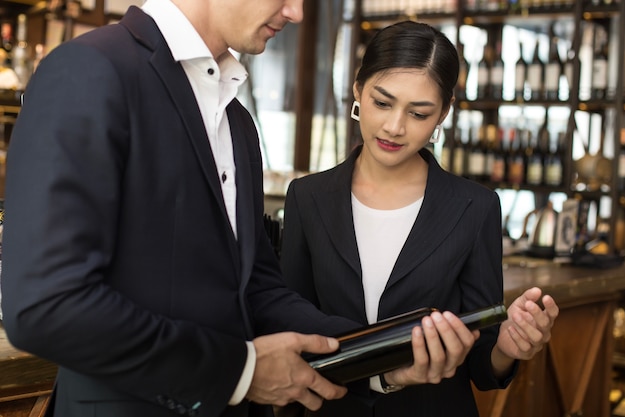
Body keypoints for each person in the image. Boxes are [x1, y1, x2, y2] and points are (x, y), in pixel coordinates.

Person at [1, 1, 364, 416]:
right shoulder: (89, 69)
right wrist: (238, 372)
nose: (297, 13)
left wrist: (381, 351)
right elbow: (47, 307)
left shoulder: (237, 121)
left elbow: (256, 291)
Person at [279, 21, 559, 417]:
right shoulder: (307, 198)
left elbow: (482, 362)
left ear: (443, 113)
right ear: (358, 89)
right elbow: (292, 333)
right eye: (382, 103)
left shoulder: (474, 207)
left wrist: (506, 349)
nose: (395, 127)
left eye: (419, 113)